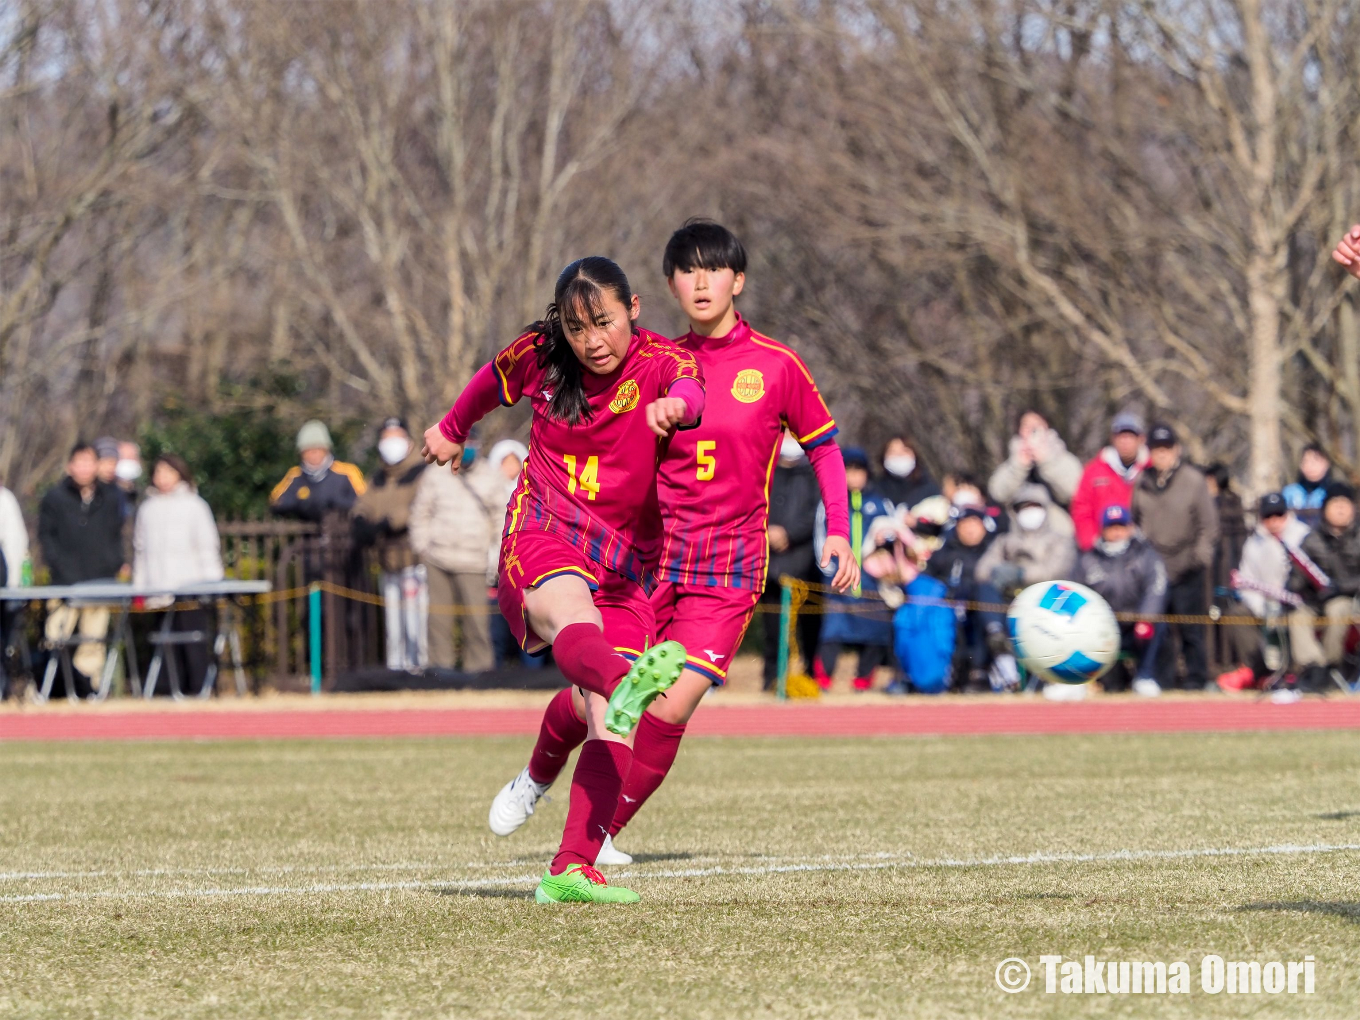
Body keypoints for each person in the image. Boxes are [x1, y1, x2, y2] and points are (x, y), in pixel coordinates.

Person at [484, 222, 855, 871]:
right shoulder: (645, 359)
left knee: (670, 701)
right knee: (602, 692)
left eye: (715, 269)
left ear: (739, 281)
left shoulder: (776, 365)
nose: (701, 282)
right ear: (667, 286)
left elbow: (823, 448)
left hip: (730, 562)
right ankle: (539, 772)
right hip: (647, 556)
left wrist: (842, 533)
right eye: (688, 270)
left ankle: (599, 833)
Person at [422, 255, 706, 904]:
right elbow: (489, 382)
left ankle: (569, 869)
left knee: (604, 718)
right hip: (544, 530)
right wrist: (452, 428)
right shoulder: (543, 354)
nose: (592, 341)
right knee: (581, 624)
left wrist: (676, 409)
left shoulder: (662, 363)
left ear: (634, 310)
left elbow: (693, 392)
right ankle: (622, 681)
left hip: (627, 564)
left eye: (604, 322)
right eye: (578, 329)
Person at [1131, 424, 1218, 690]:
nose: (1162, 454)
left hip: (1186, 565)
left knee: (1191, 629)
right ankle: (1161, 680)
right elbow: (1134, 519)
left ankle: (1196, 679)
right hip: (1154, 568)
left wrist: (1199, 558)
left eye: (1166, 448)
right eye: (1156, 449)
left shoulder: (1193, 480)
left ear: (1176, 450)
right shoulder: (1142, 481)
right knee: (1158, 630)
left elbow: (1209, 525)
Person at [38, 442, 127, 692]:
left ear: (97, 465)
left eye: (89, 462)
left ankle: (89, 688)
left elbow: (117, 535)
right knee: (54, 636)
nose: (84, 468)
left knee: (93, 641)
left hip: (100, 580)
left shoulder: (110, 497)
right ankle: (50, 686)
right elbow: (46, 537)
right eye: (80, 462)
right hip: (63, 582)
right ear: (70, 466)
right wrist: (58, 566)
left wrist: (115, 563)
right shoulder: (54, 497)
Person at [132, 454, 224, 695]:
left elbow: (207, 547)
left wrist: (212, 583)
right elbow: (140, 551)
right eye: (159, 472)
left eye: (169, 472)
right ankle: (166, 690)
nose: (163, 478)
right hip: (157, 587)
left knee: (193, 641)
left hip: (190, 587)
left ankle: (199, 688)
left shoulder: (195, 506)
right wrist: (139, 588)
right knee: (165, 642)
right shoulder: (147, 508)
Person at [409, 434, 501, 674]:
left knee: (477, 623)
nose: (466, 447)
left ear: (479, 446)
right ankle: (440, 673)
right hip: (437, 559)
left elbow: (502, 519)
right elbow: (420, 512)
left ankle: (479, 673)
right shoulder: (435, 473)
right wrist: (423, 548)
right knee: (438, 622)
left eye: (471, 443)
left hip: (474, 562)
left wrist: (495, 558)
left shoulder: (491, 477)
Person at [353, 418, 430, 671]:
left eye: (396, 437)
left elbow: (420, 506)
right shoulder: (378, 477)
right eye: (386, 437)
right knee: (393, 624)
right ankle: (396, 670)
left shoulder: (421, 472)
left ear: (409, 442)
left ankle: (420, 670)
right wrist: (360, 519)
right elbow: (364, 503)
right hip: (387, 560)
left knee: (416, 623)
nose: (391, 443)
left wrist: (390, 521)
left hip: (414, 559)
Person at [813, 446, 891, 691]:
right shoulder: (829, 502)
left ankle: (863, 679)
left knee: (875, 630)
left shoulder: (881, 502)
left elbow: (893, 533)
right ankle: (823, 679)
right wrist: (829, 570)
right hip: (838, 581)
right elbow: (820, 538)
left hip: (871, 582)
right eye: (849, 471)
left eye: (859, 471)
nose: (855, 477)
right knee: (832, 632)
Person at [1072, 505, 1168, 696]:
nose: (1117, 533)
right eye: (1111, 528)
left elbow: (1156, 588)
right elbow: (1075, 591)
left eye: (1121, 527)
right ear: (1103, 530)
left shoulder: (1145, 555)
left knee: (1159, 625)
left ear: (1129, 528)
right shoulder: (1088, 559)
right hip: (1100, 628)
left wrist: (1146, 618)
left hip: (1135, 625)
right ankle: (1077, 681)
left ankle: (1145, 676)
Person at [1219, 492, 1311, 690]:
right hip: (1264, 604)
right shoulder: (1254, 543)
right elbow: (1246, 582)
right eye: (1268, 516)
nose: (1274, 521)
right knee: (1237, 613)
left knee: (1296, 618)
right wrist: (1262, 607)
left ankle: (1296, 671)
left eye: (1279, 515)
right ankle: (1258, 670)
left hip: (1296, 603)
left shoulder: (1303, 536)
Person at [925, 504, 1013, 691]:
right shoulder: (945, 553)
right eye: (964, 524)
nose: (970, 529)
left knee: (983, 610)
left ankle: (981, 670)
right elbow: (927, 581)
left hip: (985, 612)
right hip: (949, 611)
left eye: (974, 523)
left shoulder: (994, 550)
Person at [760, 430, 822, 688]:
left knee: (807, 623)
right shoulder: (763, 470)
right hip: (768, 559)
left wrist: (790, 534)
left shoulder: (813, 474)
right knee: (772, 625)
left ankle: (807, 675)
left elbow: (816, 513)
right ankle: (772, 678)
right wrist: (766, 531)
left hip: (803, 560)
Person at [1286, 481, 1360, 689]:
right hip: (1315, 601)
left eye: (1345, 504)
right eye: (1335, 503)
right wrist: (1293, 587)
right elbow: (1298, 575)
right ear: (1325, 508)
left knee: (1338, 609)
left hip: (1349, 599)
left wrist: (1340, 587)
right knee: (1297, 616)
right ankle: (1315, 665)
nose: (1340, 509)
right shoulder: (1311, 539)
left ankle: (1330, 665)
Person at [481, 439, 538, 668]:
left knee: (531, 629)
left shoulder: (534, 491)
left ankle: (532, 675)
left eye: (515, 462)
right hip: (495, 572)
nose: (510, 467)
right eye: (505, 462)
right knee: (497, 631)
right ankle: (497, 672)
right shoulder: (486, 491)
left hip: (527, 569)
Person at [987, 409, 1082, 537]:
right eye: (1026, 425)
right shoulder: (1012, 462)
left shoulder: (1063, 458)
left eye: (1037, 425)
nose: (1031, 430)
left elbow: (1075, 491)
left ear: (1047, 428)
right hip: (1019, 537)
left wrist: (1047, 461)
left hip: (1059, 536)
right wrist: (1019, 466)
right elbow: (998, 494)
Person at [975, 483, 1077, 597]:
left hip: (1046, 598)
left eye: (1035, 507)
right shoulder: (1003, 541)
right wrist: (997, 572)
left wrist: (1021, 573)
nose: (1030, 512)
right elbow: (982, 570)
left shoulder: (1060, 541)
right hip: (1007, 597)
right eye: (1024, 508)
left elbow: (1054, 572)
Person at [1070, 411, 1149, 551]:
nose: (1125, 441)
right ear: (1113, 438)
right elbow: (1082, 509)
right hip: (1103, 549)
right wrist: (1091, 544)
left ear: (1141, 439)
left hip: (1141, 550)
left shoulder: (1150, 469)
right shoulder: (1094, 471)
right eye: (1121, 436)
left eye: (1130, 436)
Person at [269, 420, 367, 522]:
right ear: (301, 454)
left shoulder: (347, 472)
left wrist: (337, 503)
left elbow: (365, 502)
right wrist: (302, 503)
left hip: (342, 529)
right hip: (306, 530)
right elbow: (275, 501)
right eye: (308, 450)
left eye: (318, 449)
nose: (313, 454)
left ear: (327, 450)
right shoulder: (295, 475)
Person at [876, 434, 940, 511]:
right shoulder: (875, 489)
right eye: (892, 452)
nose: (898, 456)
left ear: (914, 455)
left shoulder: (928, 488)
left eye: (904, 451)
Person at [1281, 444, 1333, 527]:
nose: (1310, 466)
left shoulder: (1332, 492)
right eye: (1305, 461)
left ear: (1326, 464)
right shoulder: (1289, 492)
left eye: (1315, 461)